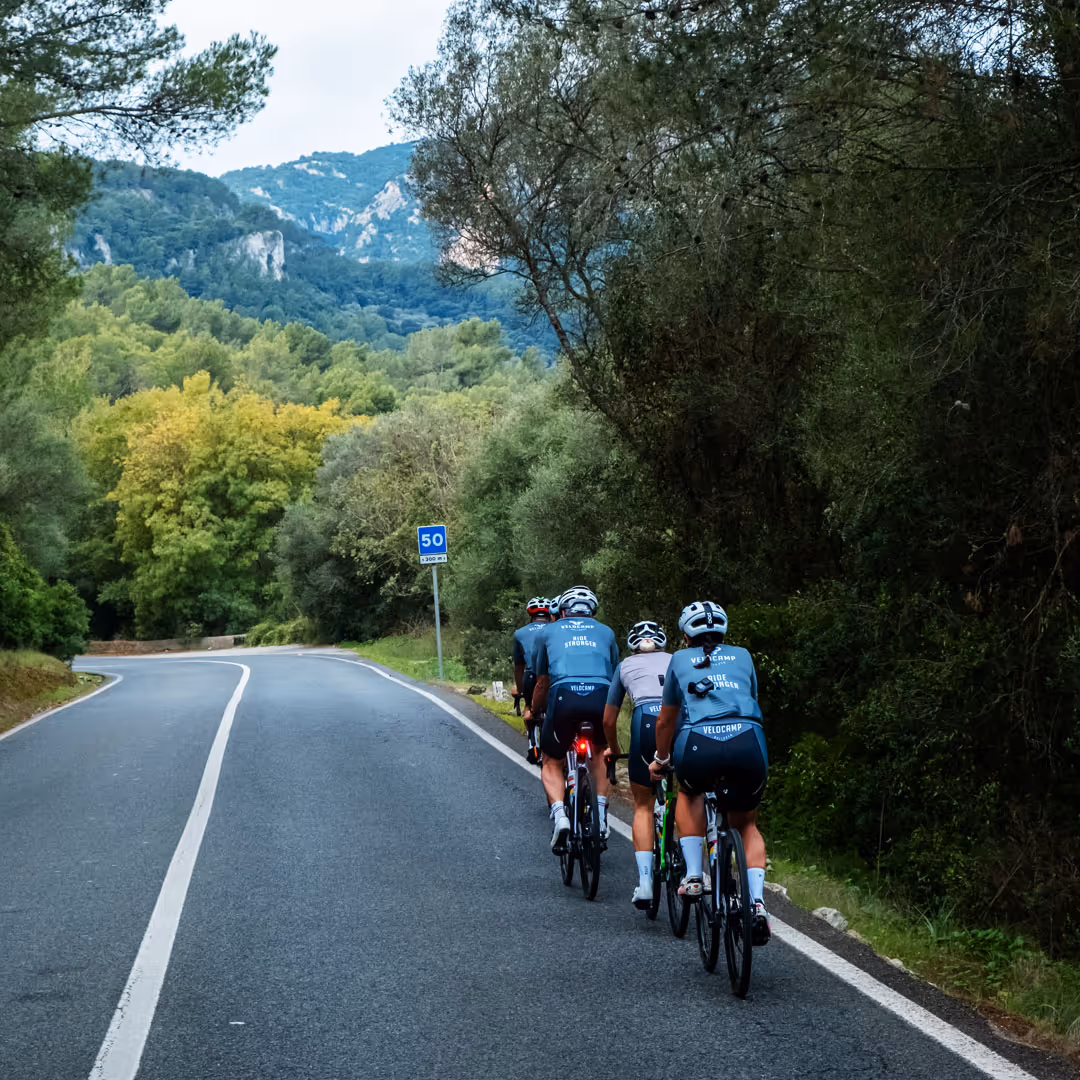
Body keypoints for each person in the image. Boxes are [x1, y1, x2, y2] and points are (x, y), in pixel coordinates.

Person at [648, 601, 771, 945]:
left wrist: (660, 759)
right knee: (746, 824)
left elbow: (666, 720)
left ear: (686, 635)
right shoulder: (743, 655)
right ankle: (757, 903)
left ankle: (692, 875)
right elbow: (750, 698)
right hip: (748, 741)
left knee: (689, 793)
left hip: (699, 744)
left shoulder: (679, 660)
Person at [531, 586, 621, 853]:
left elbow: (542, 681)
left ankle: (560, 815)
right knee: (599, 754)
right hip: (601, 696)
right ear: (592, 611)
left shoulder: (548, 631)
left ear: (562, 611)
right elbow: (616, 674)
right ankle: (600, 815)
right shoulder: (606, 632)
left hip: (564, 696)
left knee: (551, 760)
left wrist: (535, 710)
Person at [602, 620, 671, 908]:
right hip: (677, 722)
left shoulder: (625, 666)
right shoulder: (677, 660)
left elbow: (609, 720)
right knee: (690, 793)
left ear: (633, 646)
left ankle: (644, 884)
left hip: (645, 722)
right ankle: (693, 867)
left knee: (642, 805)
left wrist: (615, 749)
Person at [512, 596, 552, 763]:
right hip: (553, 676)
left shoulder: (519, 633)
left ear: (530, 615)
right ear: (550, 614)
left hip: (530, 675)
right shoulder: (557, 629)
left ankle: (532, 745)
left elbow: (518, 666)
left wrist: (520, 690)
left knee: (530, 708)